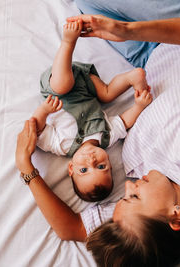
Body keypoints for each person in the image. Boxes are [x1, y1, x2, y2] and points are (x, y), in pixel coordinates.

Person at [15, 0, 180, 266]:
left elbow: (71, 228)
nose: (127, 185)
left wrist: (26, 167)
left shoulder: (145, 210)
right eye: (133, 196)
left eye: (125, 196)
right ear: (176, 216)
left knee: (82, 3)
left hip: (147, 55)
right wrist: (127, 30)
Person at [33, 19, 152, 202]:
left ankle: (68, 42)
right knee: (106, 94)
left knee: (62, 85)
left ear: (71, 168)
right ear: (110, 164)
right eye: (101, 166)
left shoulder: (62, 146)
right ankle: (132, 77)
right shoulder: (107, 137)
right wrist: (139, 106)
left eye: (84, 170)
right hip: (86, 83)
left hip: (58, 84)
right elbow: (124, 121)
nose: (92, 161)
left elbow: (37, 131)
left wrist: (44, 110)